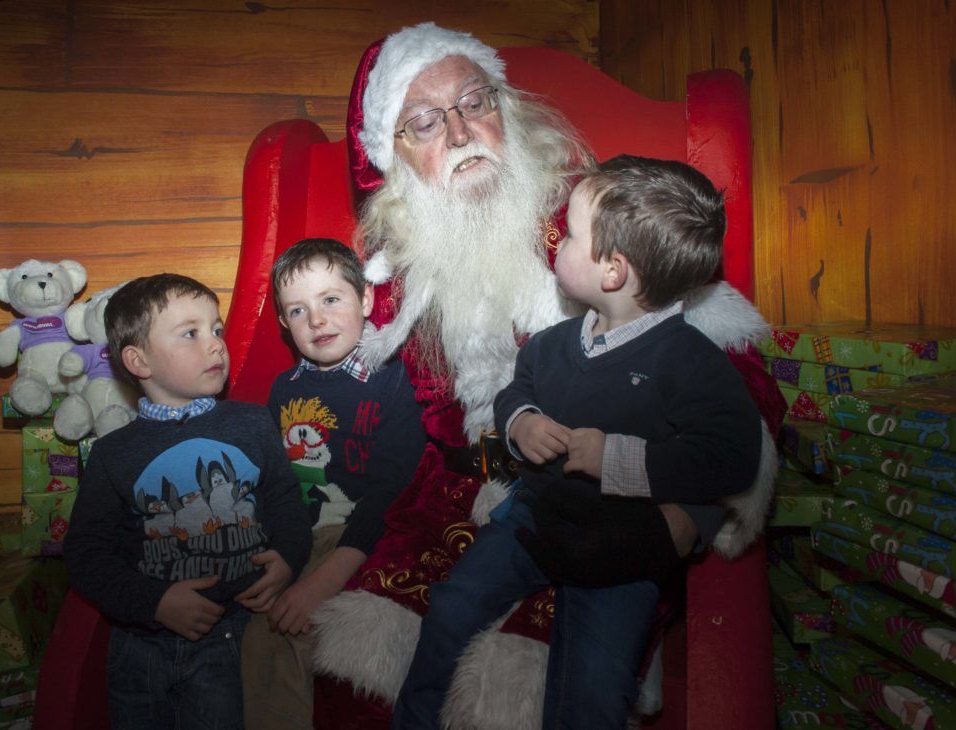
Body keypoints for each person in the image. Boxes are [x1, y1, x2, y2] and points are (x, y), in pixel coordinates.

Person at [309, 22, 783, 728]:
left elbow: (732, 382)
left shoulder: (594, 223)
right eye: (426, 121)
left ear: (507, 109)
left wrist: (687, 515)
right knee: (417, 625)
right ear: (395, 153)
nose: (463, 130)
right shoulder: (400, 276)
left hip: (626, 500)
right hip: (497, 490)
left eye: (475, 101)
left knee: (570, 673)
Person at [392, 156, 764, 728]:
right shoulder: (553, 343)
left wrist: (620, 458)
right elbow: (516, 390)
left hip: (622, 541)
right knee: (450, 606)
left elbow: (734, 455)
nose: (556, 241)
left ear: (613, 271)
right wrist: (520, 423)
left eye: (569, 233)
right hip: (535, 512)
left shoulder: (689, 362)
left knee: (592, 685)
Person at [64, 273, 312, 730]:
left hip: (241, 632)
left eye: (216, 329)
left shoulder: (253, 424)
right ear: (139, 361)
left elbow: (283, 500)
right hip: (146, 645)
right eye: (191, 333)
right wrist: (154, 602)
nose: (217, 344)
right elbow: (86, 553)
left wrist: (288, 560)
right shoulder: (113, 453)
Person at [242, 239, 426, 729]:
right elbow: (276, 483)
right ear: (284, 323)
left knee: (286, 633)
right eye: (298, 310)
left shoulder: (393, 375)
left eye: (331, 300)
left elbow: (394, 490)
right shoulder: (285, 389)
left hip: (368, 536)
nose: (316, 320)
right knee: (254, 630)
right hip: (297, 535)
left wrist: (321, 582)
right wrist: (278, 553)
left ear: (365, 300)